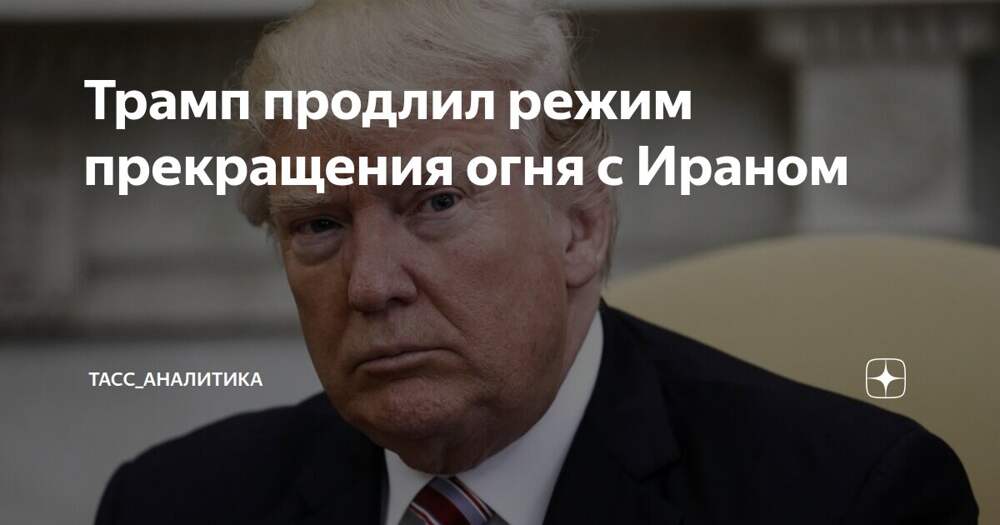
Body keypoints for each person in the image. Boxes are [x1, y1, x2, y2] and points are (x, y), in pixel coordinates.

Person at [95, 1, 977, 523]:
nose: (371, 285)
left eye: (437, 202)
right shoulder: (171, 504)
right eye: (319, 224)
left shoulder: (852, 498)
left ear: (579, 228)